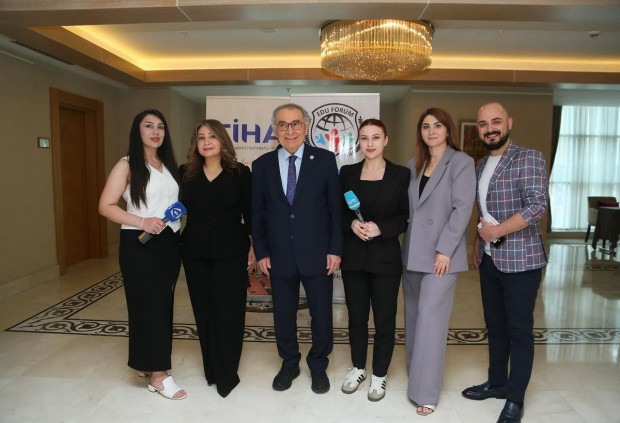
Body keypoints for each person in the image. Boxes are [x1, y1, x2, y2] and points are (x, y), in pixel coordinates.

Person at [461, 102, 548, 423]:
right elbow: (485, 211)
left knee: (519, 331)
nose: (489, 129)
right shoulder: (480, 164)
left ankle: (515, 397)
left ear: (509, 123)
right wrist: (478, 239)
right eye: (483, 124)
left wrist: (496, 231)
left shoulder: (529, 157)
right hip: (490, 259)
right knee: (495, 326)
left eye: (495, 122)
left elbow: (536, 206)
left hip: (522, 261)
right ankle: (497, 382)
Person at [251, 103, 343, 394]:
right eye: (282, 124)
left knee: (321, 314)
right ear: (275, 130)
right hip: (278, 255)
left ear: (305, 126)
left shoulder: (325, 160)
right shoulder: (261, 165)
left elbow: (335, 209)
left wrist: (335, 249)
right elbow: (257, 213)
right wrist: (262, 251)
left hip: (318, 253)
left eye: (295, 124)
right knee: (283, 314)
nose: (289, 130)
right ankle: (289, 362)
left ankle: (318, 364)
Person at [98, 109, 186, 400]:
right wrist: (141, 221)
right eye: (148, 126)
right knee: (148, 307)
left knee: (160, 305)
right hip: (140, 242)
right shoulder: (127, 164)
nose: (155, 131)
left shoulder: (168, 165)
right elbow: (106, 205)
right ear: (138, 131)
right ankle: (159, 375)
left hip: (168, 242)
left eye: (160, 126)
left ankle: (147, 362)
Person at [401, 107, 476, 416]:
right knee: (413, 319)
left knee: (431, 323)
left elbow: (462, 209)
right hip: (412, 254)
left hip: (440, 257)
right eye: (425, 126)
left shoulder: (461, 162)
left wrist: (445, 249)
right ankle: (415, 378)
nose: (431, 131)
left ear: (447, 130)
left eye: (437, 125)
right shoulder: (413, 165)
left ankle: (427, 393)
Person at [180, 119, 254, 398]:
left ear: (222, 141)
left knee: (230, 312)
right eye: (201, 137)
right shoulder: (185, 173)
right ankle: (211, 368)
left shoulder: (240, 173)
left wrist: (254, 246)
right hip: (194, 252)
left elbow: (250, 213)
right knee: (204, 311)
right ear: (195, 144)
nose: (206, 142)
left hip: (231, 252)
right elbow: (173, 209)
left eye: (212, 136)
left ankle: (227, 372)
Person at [339, 118, 410, 402]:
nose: (370, 143)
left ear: (386, 140)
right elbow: (339, 211)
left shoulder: (401, 174)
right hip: (354, 259)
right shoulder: (347, 173)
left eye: (376, 137)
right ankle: (358, 367)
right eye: (365, 138)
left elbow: (405, 216)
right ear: (359, 141)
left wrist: (382, 228)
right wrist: (351, 224)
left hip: (385, 260)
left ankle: (379, 374)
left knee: (384, 321)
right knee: (356, 318)